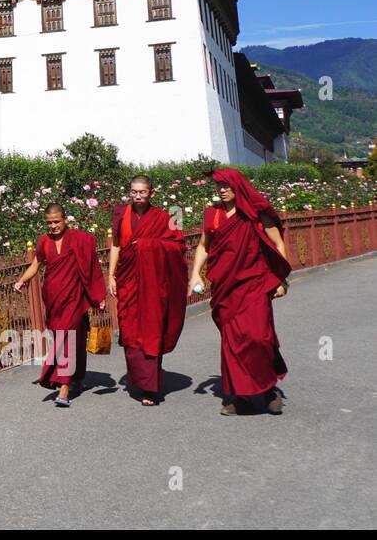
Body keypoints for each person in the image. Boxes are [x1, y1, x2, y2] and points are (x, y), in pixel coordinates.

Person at [188, 168, 291, 415]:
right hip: (226, 288)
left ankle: (268, 390)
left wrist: (281, 279)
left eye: (226, 186)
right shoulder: (212, 215)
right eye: (218, 186)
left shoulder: (255, 212)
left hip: (255, 284)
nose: (221, 190)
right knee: (232, 342)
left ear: (238, 186)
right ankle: (239, 397)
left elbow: (277, 243)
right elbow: (204, 246)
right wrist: (194, 274)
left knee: (259, 337)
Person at [107, 174, 188, 406]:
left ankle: (150, 388)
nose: (138, 196)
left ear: (152, 193)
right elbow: (116, 245)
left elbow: (179, 247)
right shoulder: (120, 213)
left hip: (155, 283)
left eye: (142, 192)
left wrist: (146, 245)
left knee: (152, 328)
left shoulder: (172, 214)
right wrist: (111, 275)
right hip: (128, 280)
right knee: (130, 328)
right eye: (134, 192)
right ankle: (139, 379)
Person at [15, 203, 106, 407]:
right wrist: (22, 280)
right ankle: (76, 378)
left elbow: (92, 267)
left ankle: (64, 387)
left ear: (65, 219)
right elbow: (36, 264)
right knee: (67, 337)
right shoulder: (44, 242)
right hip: (53, 298)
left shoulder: (80, 239)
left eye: (57, 221)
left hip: (74, 297)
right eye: (49, 223)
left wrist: (97, 295)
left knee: (67, 338)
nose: (53, 226)